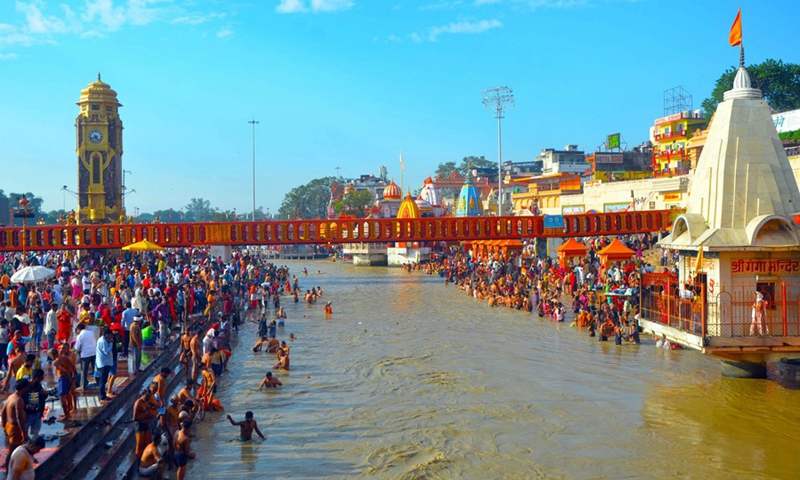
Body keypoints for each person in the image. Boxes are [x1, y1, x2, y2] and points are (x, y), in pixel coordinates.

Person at [2, 378, 29, 471]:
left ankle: (10, 465)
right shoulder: (18, 400)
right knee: (13, 449)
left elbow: (2, 412)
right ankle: (8, 467)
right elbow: (19, 418)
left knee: (14, 448)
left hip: (9, 425)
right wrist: (23, 432)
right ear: (24, 388)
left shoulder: (11, 396)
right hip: (15, 427)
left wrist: (4, 426)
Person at [50, 347, 76, 421]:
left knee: (62, 397)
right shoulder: (65, 357)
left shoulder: (56, 362)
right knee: (67, 395)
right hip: (69, 376)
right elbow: (73, 366)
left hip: (63, 378)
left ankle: (66, 415)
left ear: (52, 355)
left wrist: (68, 379)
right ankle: (67, 413)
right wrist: (74, 375)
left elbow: (64, 371)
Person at [133, 388, 157, 460]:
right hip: (140, 425)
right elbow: (135, 418)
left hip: (147, 423)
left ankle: (144, 459)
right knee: (139, 445)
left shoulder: (147, 401)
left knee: (146, 443)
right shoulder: (138, 403)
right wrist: (146, 414)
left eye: (149, 397)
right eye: (147, 396)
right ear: (143, 395)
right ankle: (138, 461)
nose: (148, 398)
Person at [22, 369, 46, 438]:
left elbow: (42, 397)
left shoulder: (38, 386)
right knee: (24, 434)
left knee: (35, 435)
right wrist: (27, 406)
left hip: (37, 413)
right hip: (27, 415)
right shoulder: (25, 386)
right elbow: (20, 399)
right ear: (36, 378)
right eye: (41, 378)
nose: (42, 379)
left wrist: (45, 394)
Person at [74, 323, 97, 390]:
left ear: (79, 329)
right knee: (95, 369)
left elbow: (77, 347)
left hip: (85, 354)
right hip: (93, 352)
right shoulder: (91, 333)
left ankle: (83, 386)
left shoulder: (80, 335)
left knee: (84, 370)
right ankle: (99, 382)